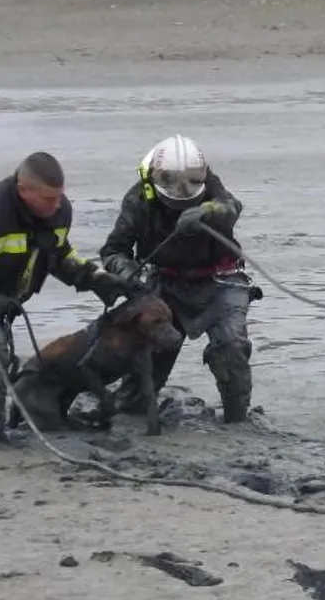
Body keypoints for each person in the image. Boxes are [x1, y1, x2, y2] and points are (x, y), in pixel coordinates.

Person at [0, 152, 139, 446]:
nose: (56, 206)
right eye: (47, 200)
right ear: (23, 190)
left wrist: (95, 279)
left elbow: (57, 255)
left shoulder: (57, 212)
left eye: (59, 198)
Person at [99, 134, 257, 425]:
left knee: (231, 348)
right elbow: (113, 251)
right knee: (145, 370)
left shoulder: (209, 184)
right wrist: (130, 275)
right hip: (166, 285)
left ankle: (238, 423)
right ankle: (132, 406)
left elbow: (232, 207)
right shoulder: (137, 200)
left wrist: (206, 212)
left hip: (221, 282)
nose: (182, 198)